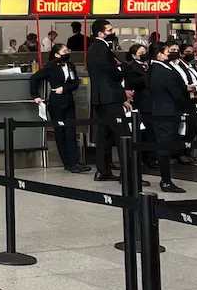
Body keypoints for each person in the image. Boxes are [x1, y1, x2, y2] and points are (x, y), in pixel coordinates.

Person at [31, 43, 88, 173]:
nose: (67, 53)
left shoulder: (71, 65)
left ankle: (75, 161)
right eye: (64, 51)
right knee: (60, 133)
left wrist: (64, 89)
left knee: (71, 133)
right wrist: (36, 96)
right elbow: (34, 78)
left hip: (69, 100)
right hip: (56, 102)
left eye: (67, 50)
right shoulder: (51, 66)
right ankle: (68, 163)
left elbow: (75, 83)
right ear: (57, 54)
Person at [145, 41, 188, 194]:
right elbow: (176, 92)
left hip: (163, 111)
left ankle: (166, 180)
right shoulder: (162, 71)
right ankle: (166, 181)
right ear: (159, 54)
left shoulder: (157, 68)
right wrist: (185, 106)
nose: (169, 53)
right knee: (164, 147)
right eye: (167, 51)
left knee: (166, 145)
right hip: (166, 112)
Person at [88, 18, 126, 181]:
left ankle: (102, 171)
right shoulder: (101, 49)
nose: (113, 32)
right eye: (109, 30)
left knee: (104, 136)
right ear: (100, 33)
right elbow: (111, 71)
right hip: (110, 96)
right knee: (123, 134)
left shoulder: (96, 48)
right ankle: (128, 174)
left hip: (100, 97)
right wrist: (122, 70)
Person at [123, 43, 158, 171]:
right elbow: (134, 82)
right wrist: (147, 76)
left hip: (152, 101)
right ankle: (146, 158)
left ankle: (151, 157)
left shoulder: (149, 65)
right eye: (141, 53)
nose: (144, 55)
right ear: (134, 55)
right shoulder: (131, 67)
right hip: (141, 101)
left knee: (152, 131)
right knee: (145, 132)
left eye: (145, 52)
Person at [171, 40, 197, 165]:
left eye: (192, 52)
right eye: (187, 52)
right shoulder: (176, 67)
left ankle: (188, 151)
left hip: (193, 98)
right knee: (183, 128)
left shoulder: (190, 67)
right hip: (183, 99)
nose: (190, 54)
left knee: (192, 127)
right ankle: (181, 153)